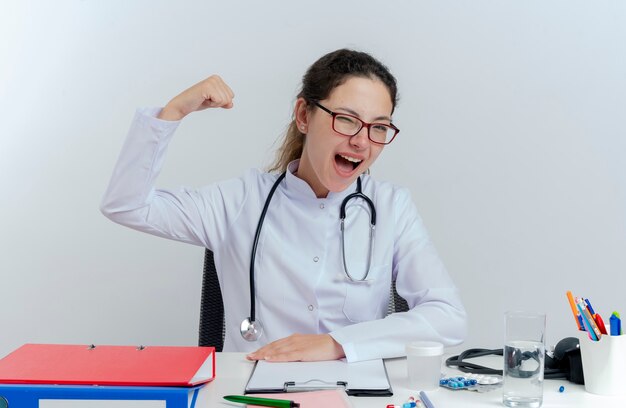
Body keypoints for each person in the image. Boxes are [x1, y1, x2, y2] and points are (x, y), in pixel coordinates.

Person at [101, 48, 467, 363]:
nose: (361, 141)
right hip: (251, 391)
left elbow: (447, 317)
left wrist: (337, 344)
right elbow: (125, 205)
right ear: (304, 115)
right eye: (347, 120)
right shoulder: (239, 201)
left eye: (378, 127)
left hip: (353, 394)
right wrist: (173, 112)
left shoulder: (391, 207)